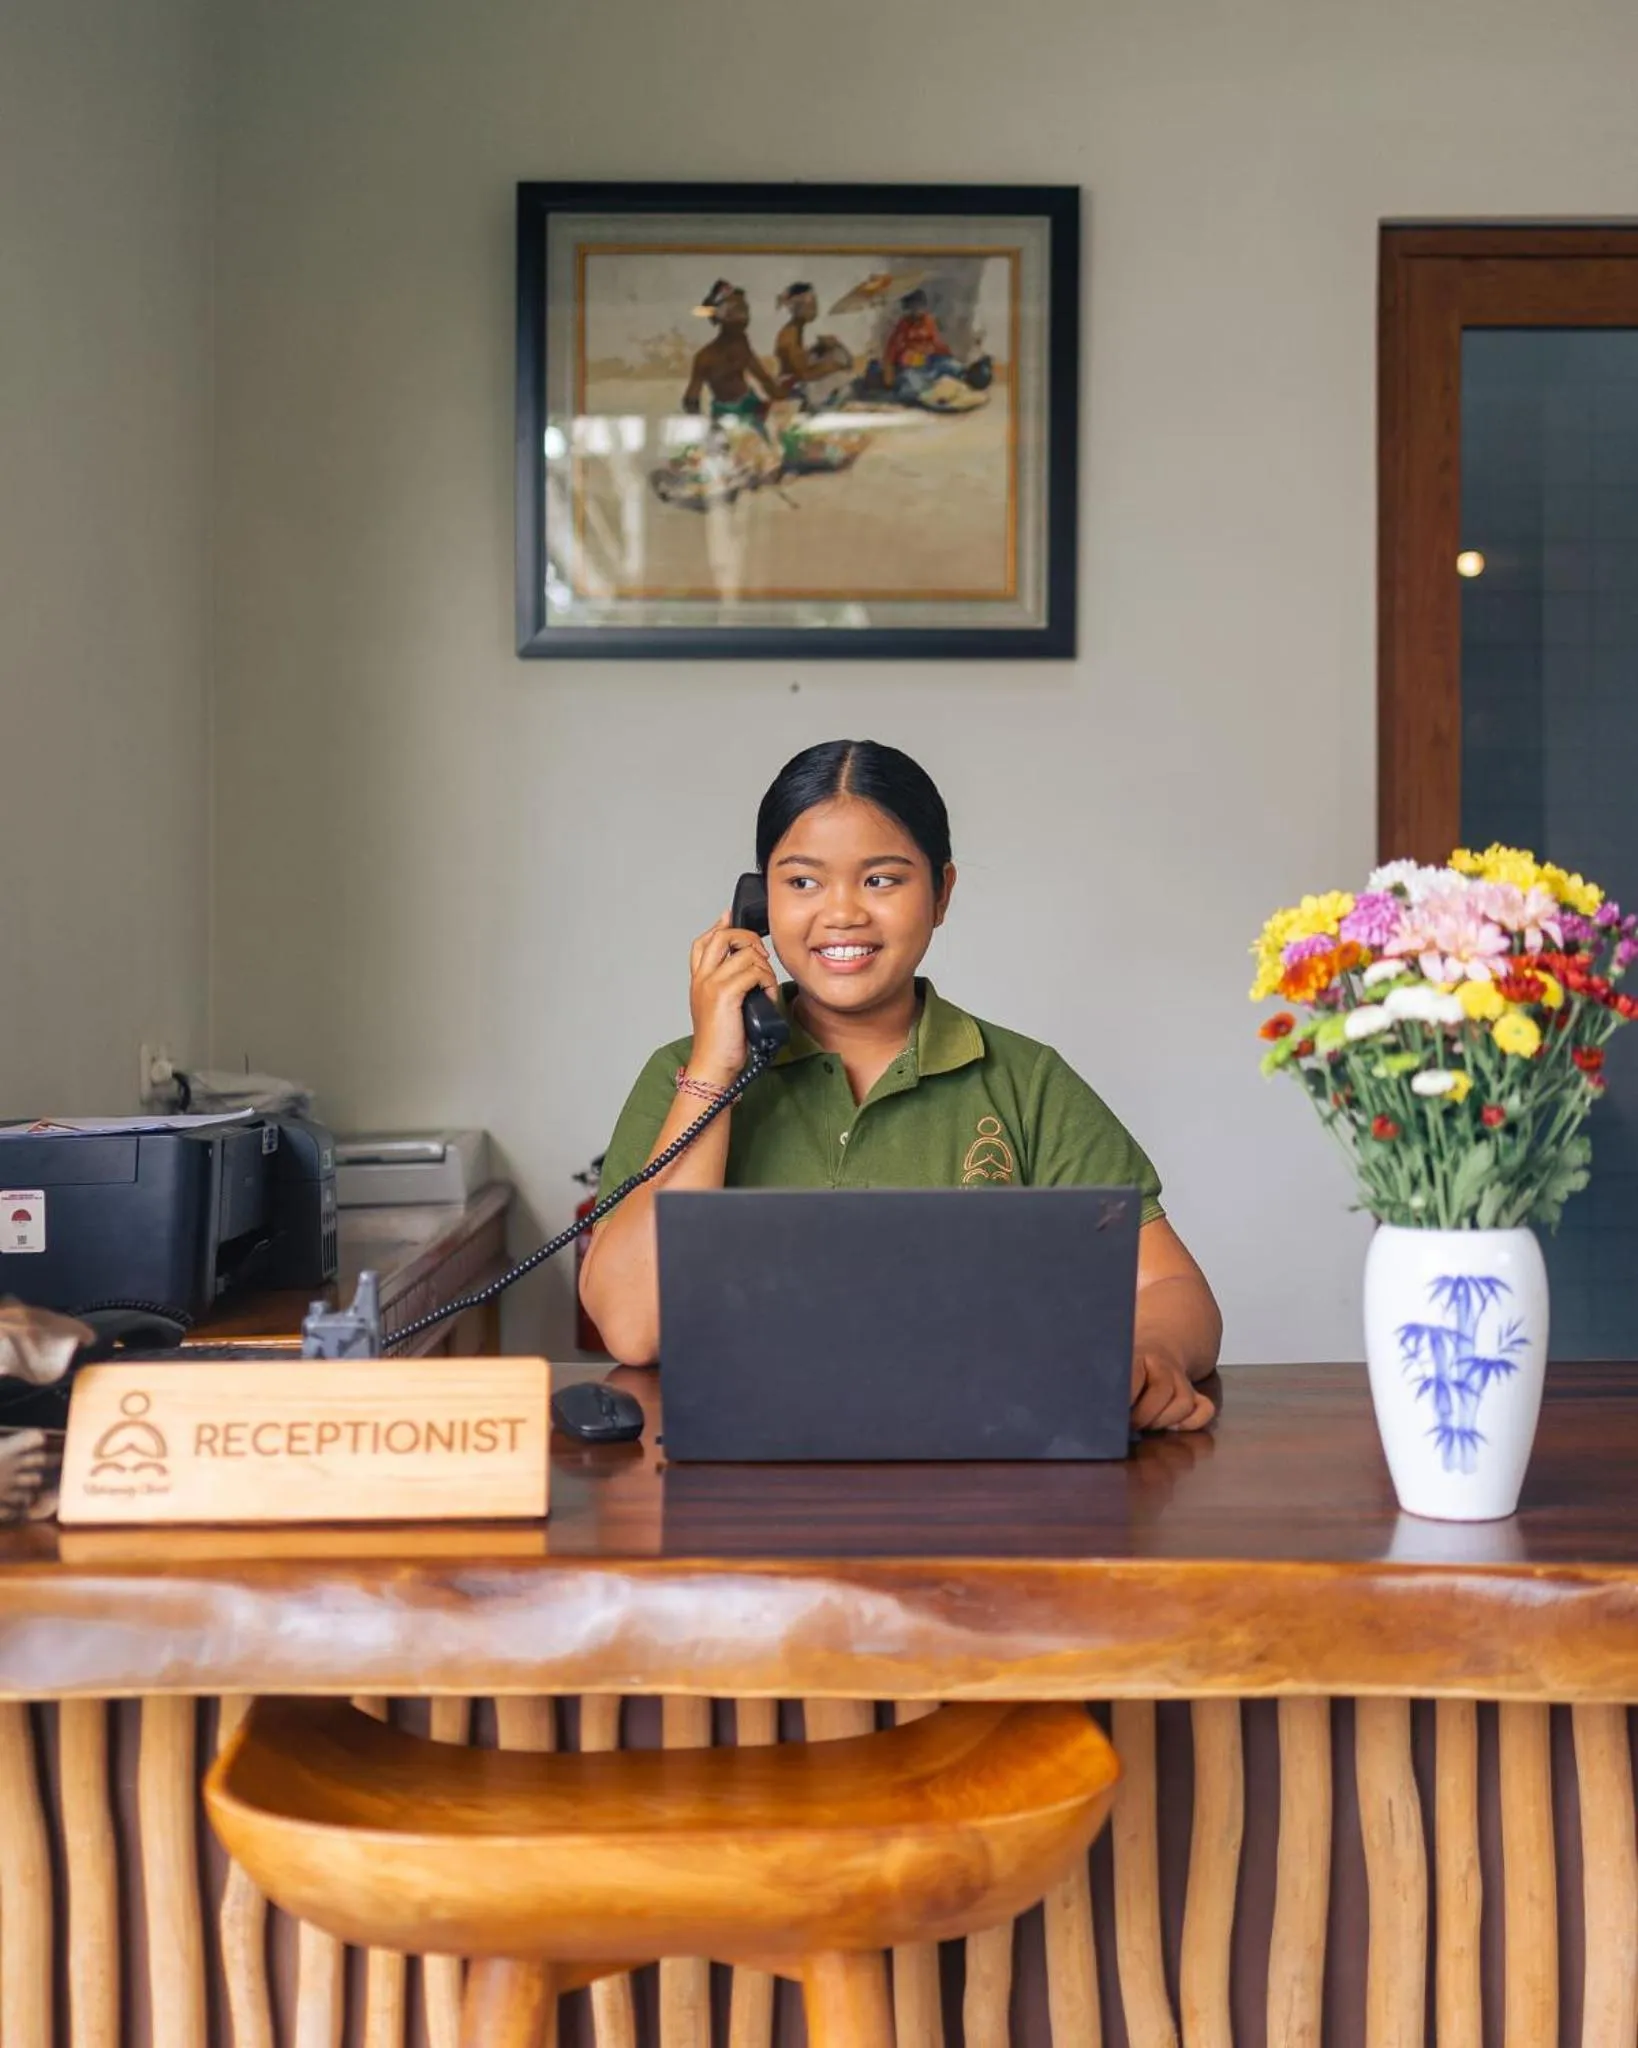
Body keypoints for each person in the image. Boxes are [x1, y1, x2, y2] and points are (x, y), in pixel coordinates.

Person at [579, 741, 1222, 1431]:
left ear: (941, 893)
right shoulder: (682, 1074)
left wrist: (1151, 1353)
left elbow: (1173, 1289)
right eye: (802, 883)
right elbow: (634, 1328)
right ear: (757, 903)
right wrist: (715, 1072)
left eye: (881, 880)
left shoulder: (1026, 1081)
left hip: (978, 1467)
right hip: (738, 1479)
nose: (842, 914)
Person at [681, 280, 781, 438]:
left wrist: (781, 401)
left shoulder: (741, 344)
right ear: (721, 315)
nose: (745, 316)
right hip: (725, 413)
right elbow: (691, 398)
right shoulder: (706, 357)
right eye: (737, 310)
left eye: (745, 310)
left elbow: (762, 377)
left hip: (751, 404)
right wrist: (701, 426)